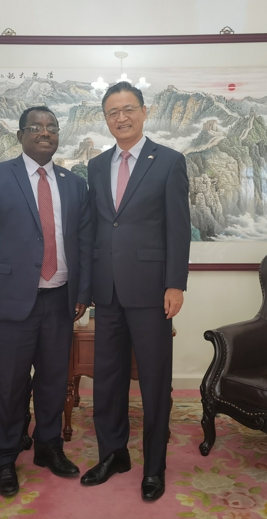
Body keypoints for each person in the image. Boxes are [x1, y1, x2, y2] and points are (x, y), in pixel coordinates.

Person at [0, 106, 93, 497]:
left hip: (60, 299)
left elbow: (84, 243)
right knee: (11, 385)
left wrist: (83, 293)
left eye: (52, 127)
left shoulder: (75, 184)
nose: (45, 132)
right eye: (36, 127)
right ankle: (5, 458)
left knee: (53, 381)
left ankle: (48, 447)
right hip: (10, 302)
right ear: (20, 135)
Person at [80, 82, 191, 501]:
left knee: (154, 382)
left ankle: (154, 467)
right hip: (107, 292)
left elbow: (178, 228)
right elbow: (95, 229)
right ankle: (113, 455)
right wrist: (87, 287)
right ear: (105, 119)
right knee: (107, 380)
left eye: (129, 109)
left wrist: (175, 283)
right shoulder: (96, 166)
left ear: (145, 112)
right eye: (113, 112)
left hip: (151, 291)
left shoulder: (169, 161)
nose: (121, 117)